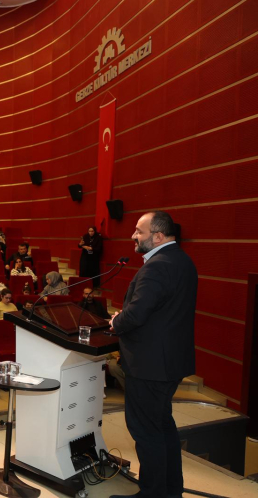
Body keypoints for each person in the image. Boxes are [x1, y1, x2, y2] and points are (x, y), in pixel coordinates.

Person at [107, 212, 196, 498]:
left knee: (146, 432)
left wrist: (117, 322)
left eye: (139, 231)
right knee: (163, 427)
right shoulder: (182, 261)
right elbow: (161, 311)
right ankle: (170, 491)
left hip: (150, 366)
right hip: (169, 362)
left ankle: (153, 493)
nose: (133, 236)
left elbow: (137, 313)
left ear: (157, 236)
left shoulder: (157, 266)